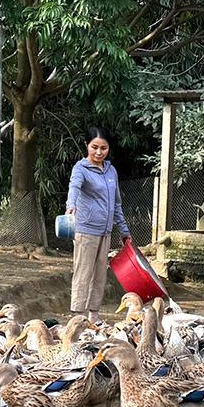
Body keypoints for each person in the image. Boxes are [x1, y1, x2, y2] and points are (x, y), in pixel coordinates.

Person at [65, 127, 130, 322]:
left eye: (103, 148)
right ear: (87, 146)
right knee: (83, 273)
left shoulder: (111, 171)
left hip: (106, 232)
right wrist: (71, 206)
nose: (99, 152)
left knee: (100, 275)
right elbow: (74, 187)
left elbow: (117, 203)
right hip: (85, 230)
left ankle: (94, 316)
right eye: (95, 147)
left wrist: (124, 230)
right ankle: (78, 316)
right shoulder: (80, 169)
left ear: (108, 148)